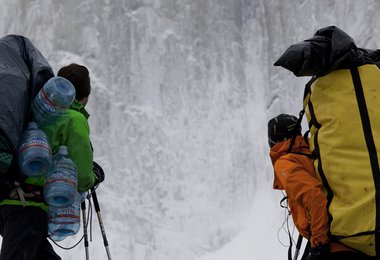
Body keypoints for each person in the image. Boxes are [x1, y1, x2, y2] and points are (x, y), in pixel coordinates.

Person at [0, 63, 104, 260]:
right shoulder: (74, 119)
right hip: (28, 207)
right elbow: (82, 177)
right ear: (85, 97)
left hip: (9, 199)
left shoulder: (37, 111)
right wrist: (94, 176)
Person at [268, 113, 364, 260]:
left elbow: (312, 195)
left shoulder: (285, 163)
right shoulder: (315, 154)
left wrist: (319, 244)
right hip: (354, 236)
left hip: (331, 242)